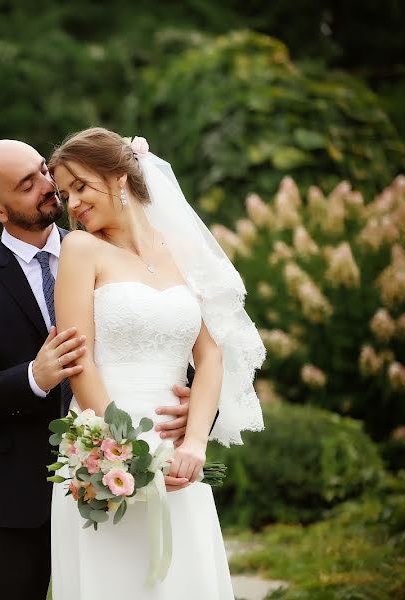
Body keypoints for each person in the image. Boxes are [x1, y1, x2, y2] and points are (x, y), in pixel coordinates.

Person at [0, 139, 195, 600]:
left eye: (43, 170)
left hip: (131, 478)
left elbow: (166, 333)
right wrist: (33, 377)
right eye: (28, 183)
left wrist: (194, 414)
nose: (49, 185)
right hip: (18, 500)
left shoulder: (117, 248)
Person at [48, 128, 265, 598]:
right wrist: (125, 449)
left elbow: (209, 355)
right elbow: (78, 359)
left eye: (81, 186)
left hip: (178, 453)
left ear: (120, 176)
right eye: (65, 194)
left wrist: (194, 446)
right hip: (104, 442)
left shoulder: (181, 252)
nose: (73, 204)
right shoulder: (81, 250)